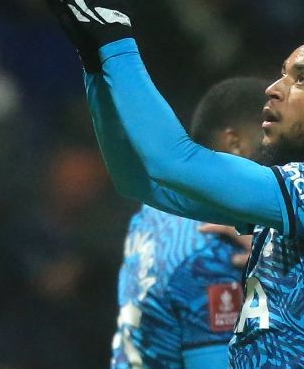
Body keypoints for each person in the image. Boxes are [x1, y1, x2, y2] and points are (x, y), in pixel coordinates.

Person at [40, 0, 304, 368]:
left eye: (301, 79)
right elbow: (139, 179)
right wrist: (97, 66)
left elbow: (173, 160)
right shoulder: (297, 210)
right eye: (282, 74)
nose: (274, 88)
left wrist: (117, 40)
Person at [111, 77, 268, 369]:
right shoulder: (217, 247)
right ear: (236, 143)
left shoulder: (154, 213)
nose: (288, 162)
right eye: (272, 138)